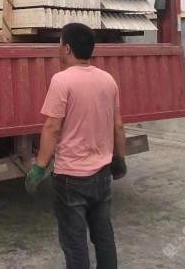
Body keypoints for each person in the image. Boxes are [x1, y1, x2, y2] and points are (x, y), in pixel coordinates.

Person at [26, 23, 126, 269]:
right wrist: (119, 158)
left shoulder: (62, 81)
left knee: (74, 242)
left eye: (60, 43)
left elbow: (52, 127)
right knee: (103, 236)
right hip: (102, 174)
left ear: (68, 48)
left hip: (71, 178)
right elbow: (118, 125)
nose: (59, 47)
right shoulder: (108, 80)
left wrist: (39, 167)